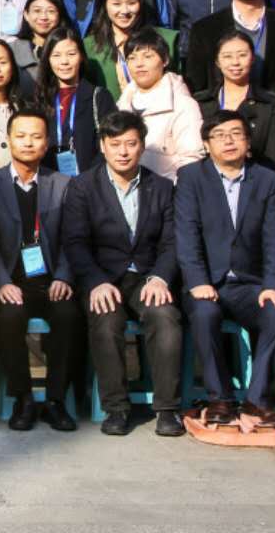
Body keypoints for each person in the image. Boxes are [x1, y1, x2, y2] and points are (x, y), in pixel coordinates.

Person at [63, 111, 184, 437]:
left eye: (131, 144)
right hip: (103, 278)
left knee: (165, 317)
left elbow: (172, 242)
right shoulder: (82, 187)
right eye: (115, 144)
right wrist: (95, 282)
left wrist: (160, 277)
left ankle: (167, 410)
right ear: (102, 146)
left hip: (146, 278)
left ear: (142, 146)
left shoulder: (161, 187)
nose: (123, 152)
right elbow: (75, 243)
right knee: (106, 320)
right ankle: (116, 408)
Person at [174, 109, 275, 427]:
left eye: (236, 134)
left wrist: (273, 285)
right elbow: (186, 235)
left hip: (250, 283)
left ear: (248, 142)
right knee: (204, 314)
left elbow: (274, 239)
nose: (228, 141)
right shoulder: (191, 177)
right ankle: (220, 399)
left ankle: (258, 400)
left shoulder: (266, 179)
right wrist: (197, 280)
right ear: (206, 144)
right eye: (219, 135)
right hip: (207, 282)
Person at [0, 110, 81, 432]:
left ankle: (55, 400)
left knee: (68, 315)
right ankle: (22, 398)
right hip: (11, 281)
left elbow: (73, 238)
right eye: (21, 136)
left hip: (51, 280)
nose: (28, 143)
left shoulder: (63, 184)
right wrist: (0, 281)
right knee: (9, 318)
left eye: (36, 137)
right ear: (8, 140)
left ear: (46, 143)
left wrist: (64, 275)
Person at [114, 30, 206, 182]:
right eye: (132, 58)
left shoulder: (182, 104)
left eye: (148, 56)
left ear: (165, 60)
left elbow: (191, 160)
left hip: (167, 191)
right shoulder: (122, 104)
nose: (139, 64)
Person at [195, 32, 275, 173]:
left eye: (242, 55)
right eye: (227, 56)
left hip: (256, 179)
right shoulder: (201, 101)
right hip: (208, 178)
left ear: (252, 59)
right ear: (217, 62)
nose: (235, 62)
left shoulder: (269, 102)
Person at [35, 26, 118, 176]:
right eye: (56, 55)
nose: (64, 61)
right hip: (49, 182)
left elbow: (110, 144)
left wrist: (87, 181)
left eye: (71, 54)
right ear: (47, 59)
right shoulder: (41, 99)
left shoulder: (99, 97)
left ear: (81, 57)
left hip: (90, 181)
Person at [84, 0, 179, 101]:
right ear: (105, 6)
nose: (125, 11)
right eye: (117, 4)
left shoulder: (167, 39)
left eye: (131, 3)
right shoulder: (90, 46)